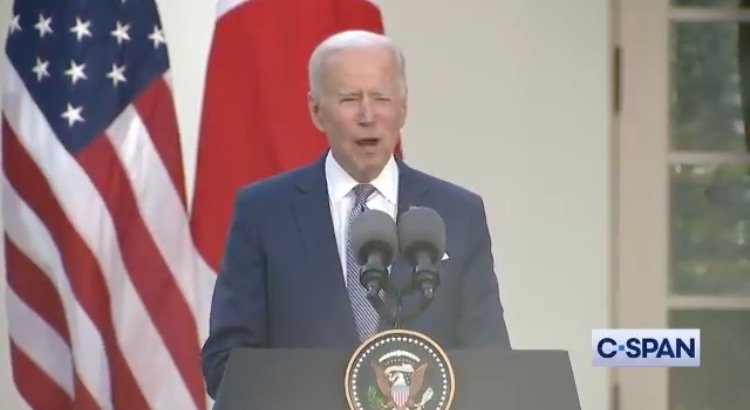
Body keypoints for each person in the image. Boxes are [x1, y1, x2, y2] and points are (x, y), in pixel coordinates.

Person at [200, 29, 511, 399]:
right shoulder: (264, 212)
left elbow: (491, 364)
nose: (368, 115)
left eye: (381, 98)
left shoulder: (458, 213)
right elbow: (225, 364)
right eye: (349, 99)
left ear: (403, 107)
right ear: (316, 111)